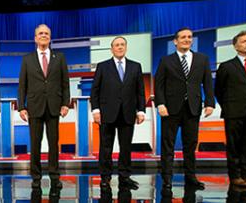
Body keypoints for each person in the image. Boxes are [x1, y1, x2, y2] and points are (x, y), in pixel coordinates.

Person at [154, 27, 215, 191]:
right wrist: (160, 104)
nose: (187, 39)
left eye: (189, 37)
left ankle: (191, 177)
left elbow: (208, 83)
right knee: (168, 145)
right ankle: (167, 178)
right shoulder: (166, 60)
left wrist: (210, 103)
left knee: (190, 145)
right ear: (175, 41)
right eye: (183, 37)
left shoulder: (202, 59)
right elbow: (158, 84)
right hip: (170, 109)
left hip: (192, 108)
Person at [17, 24, 70, 191]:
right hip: (34, 106)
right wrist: (21, 107)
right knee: (35, 143)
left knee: (54, 143)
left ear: (50, 37)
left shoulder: (59, 57)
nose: (43, 35)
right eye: (40, 33)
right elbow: (22, 85)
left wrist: (65, 103)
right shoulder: (27, 59)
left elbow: (65, 83)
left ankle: (55, 176)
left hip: (54, 106)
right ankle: (36, 177)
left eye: (46, 33)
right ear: (35, 38)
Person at [90, 36, 146, 191]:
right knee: (106, 147)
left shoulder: (136, 66)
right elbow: (95, 90)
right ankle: (105, 177)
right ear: (112, 49)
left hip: (128, 113)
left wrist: (141, 110)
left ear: (126, 47)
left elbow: (140, 91)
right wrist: (95, 110)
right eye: (116, 45)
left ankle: (124, 177)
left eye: (122, 45)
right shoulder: (103, 66)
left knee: (126, 147)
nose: (120, 47)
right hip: (107, 113)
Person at [215, 30, 246, 189]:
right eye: (243, 41)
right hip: (233, 110)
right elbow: (219, 90)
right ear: (235, 46)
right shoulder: (227, 66)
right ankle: (235, 175)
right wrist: (228, 106)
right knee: (234, 145)